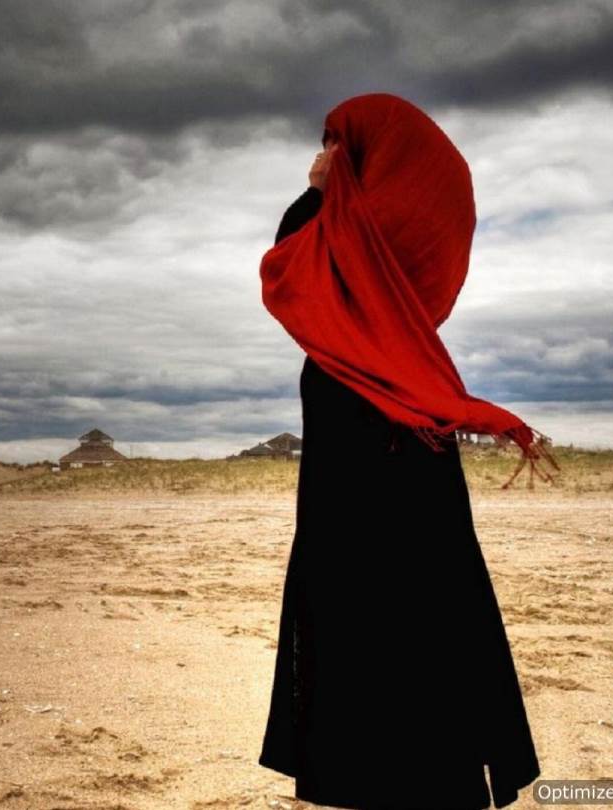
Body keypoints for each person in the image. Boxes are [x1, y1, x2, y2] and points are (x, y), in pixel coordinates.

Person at [256, 93, 551, 810]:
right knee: (427, 596)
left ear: (364, 154)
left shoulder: (353, 227)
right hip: (407, 409)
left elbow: (286, 268)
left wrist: (318, 190)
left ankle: (368, 774)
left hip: (359, 416)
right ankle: (435, 774)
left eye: (336, 143)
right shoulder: (399, 233)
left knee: (360, 599)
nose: (324, 155)